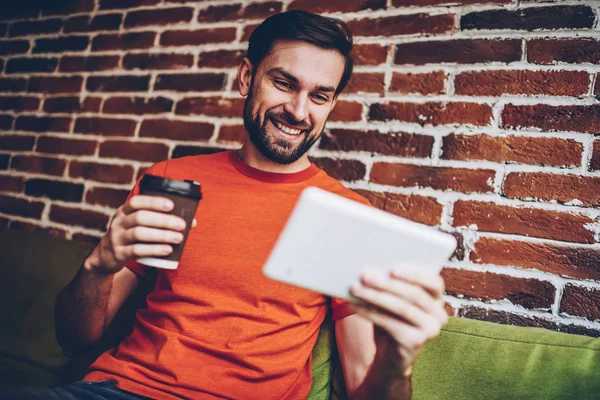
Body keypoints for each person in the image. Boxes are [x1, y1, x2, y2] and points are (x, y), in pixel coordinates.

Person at [6, 10, 448, 400]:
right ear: (245, 77)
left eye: (319, 95)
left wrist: (397, 358)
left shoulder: (347, 217)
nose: (298, 110)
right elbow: (77, 340)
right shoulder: (174, 178)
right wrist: (98, 264)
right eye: (284, 82)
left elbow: (361, 387)